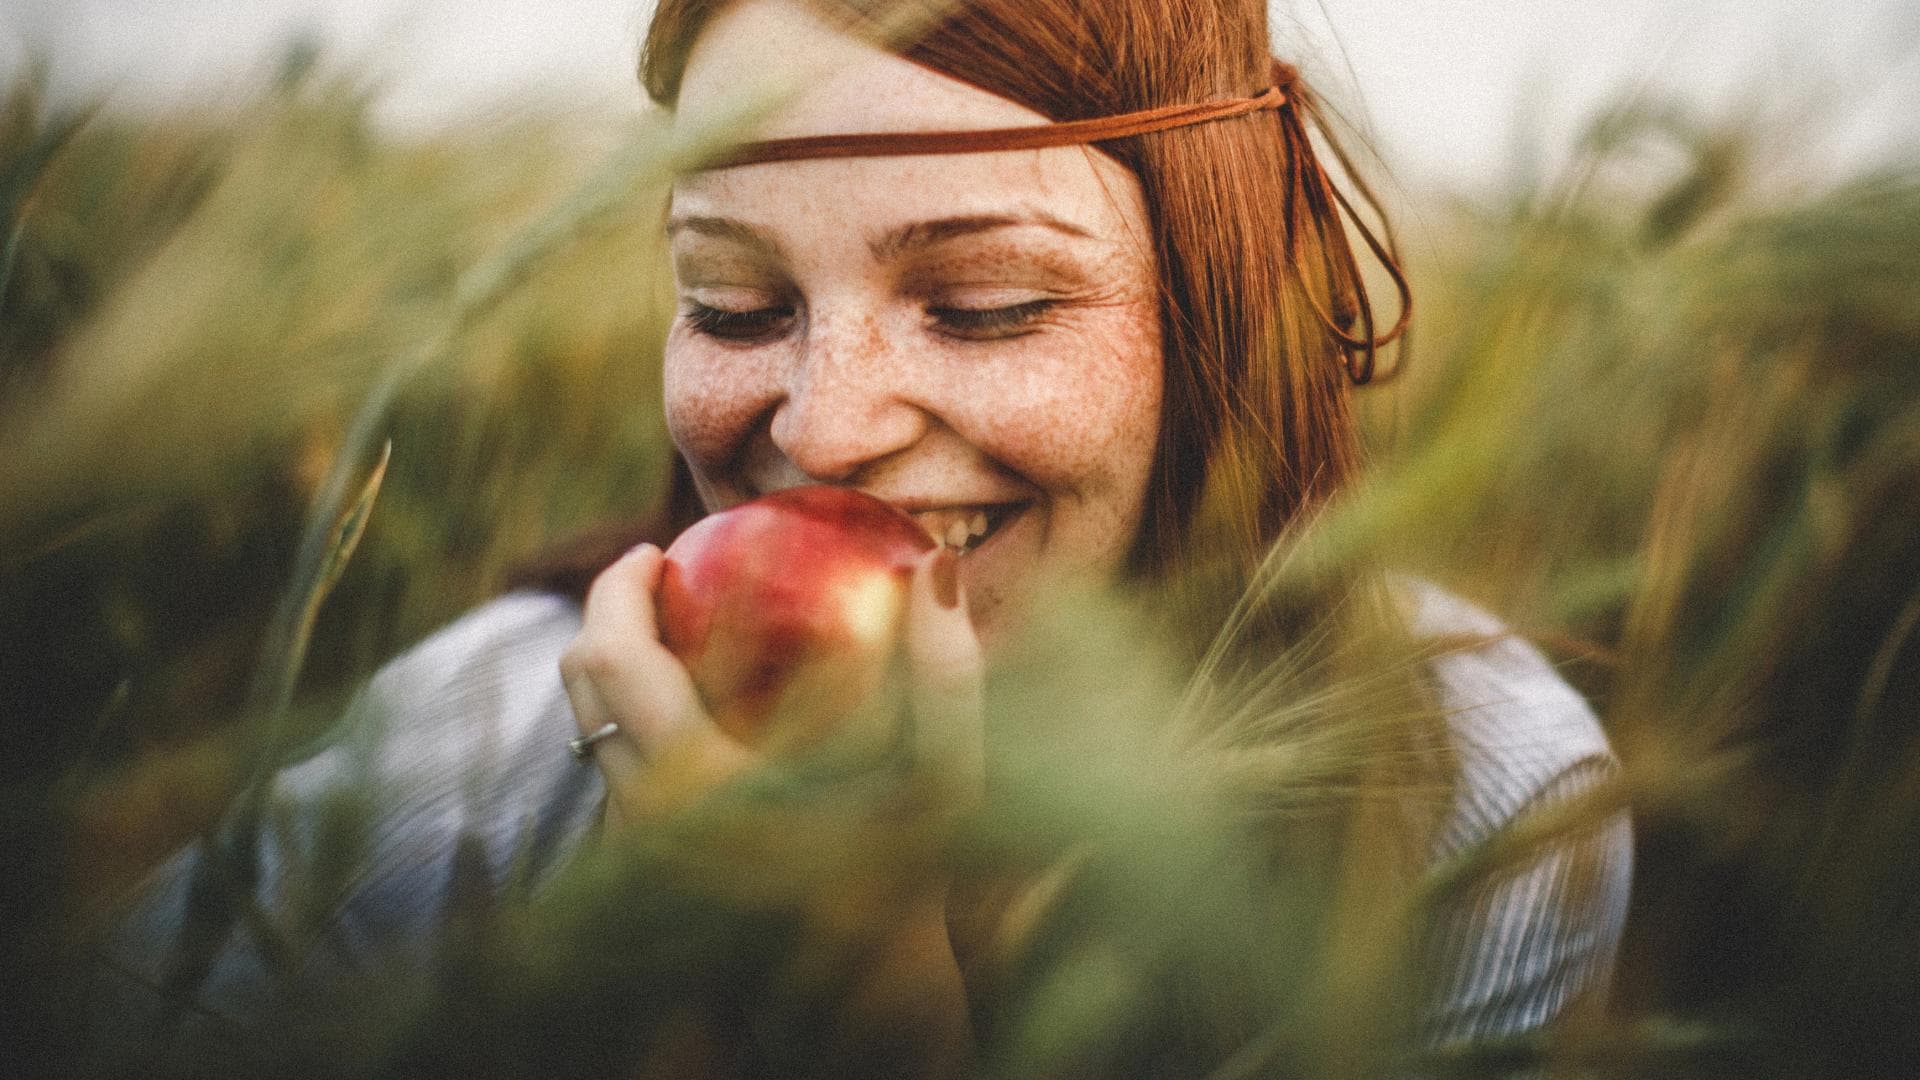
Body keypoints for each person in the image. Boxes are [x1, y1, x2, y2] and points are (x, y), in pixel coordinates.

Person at [88, 0, 1630, 1074]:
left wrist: (872, 1019)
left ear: (1211, 307)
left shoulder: (1469, 803)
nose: (823, 432)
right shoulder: (468, 765)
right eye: (733, 304)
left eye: (985, 304)